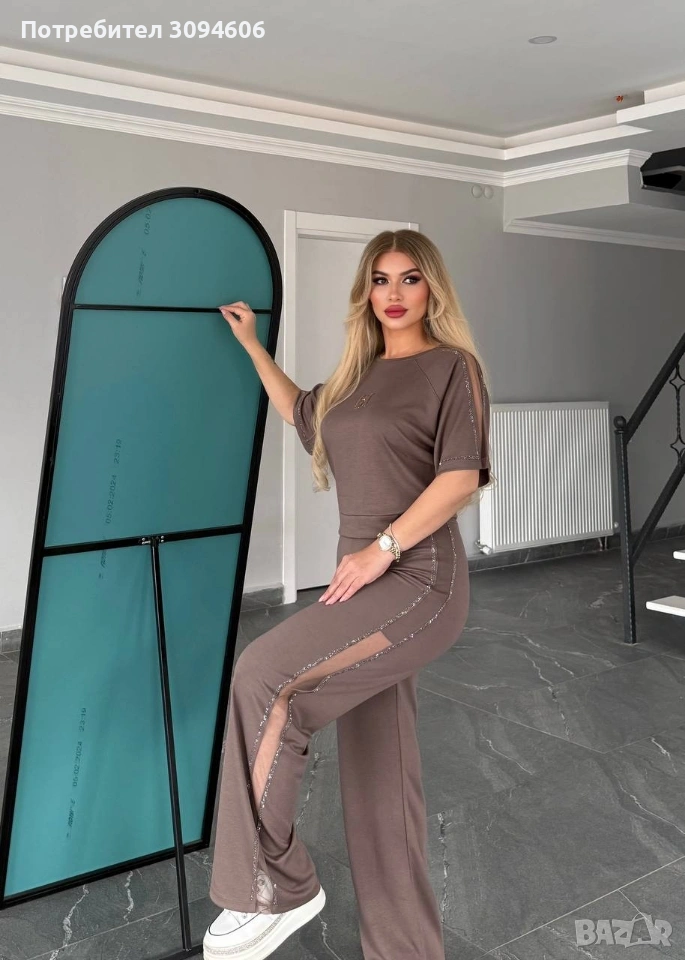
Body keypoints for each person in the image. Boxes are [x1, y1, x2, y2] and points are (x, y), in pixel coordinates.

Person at [203, 229, 494, 960]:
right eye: (380, 280)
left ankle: (273, 888)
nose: (393, 294)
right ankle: (406, 950)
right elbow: (299, 410)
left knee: (263, 677)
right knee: (379, 775)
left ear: (432, 288)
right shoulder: (354, 377)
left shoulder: (450, 367)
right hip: (359, 579)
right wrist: (252, 346)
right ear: (365, 291)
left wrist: (383, 549)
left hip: (417, 581)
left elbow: (460, 477)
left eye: (409, 279)